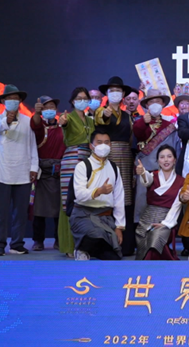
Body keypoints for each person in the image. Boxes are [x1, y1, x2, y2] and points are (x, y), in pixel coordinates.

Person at [0, 84, 39, 256]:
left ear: (20, 101)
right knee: (1, 213)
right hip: (3, 173)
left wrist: (34, 168)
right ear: (3, 101)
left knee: (20, 213)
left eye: (16, 98)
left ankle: (17, 244)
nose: (13, 101)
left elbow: (33, 146)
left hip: (23, 173)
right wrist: (8, 120)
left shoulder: (27, 120)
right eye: (9, 98)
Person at [94, 76, 136, 256]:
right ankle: (107, 243)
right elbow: (100, 120)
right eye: (112, 91)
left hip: (126, 156)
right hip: (108, 155)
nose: (115, 93)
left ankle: (127, 244)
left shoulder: (128, 116)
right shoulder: (101, 111)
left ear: (124, 93)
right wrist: (105, 114)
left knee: (125, 198)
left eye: (118, 90)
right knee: (107, 195)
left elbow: (132, 137)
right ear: (106, 94)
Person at [69, 131, 125, 260]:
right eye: (99, 142)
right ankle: (81, 249)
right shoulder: (83, 166)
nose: (103, 146)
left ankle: (89, 249)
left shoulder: (114, 168)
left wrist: (119, 227)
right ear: (91, 146)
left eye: (106, 142)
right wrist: (98, 191)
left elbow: (119, 198)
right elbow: (79, 194)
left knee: (114, 256)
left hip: (105, 218)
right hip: (84, 215)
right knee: (96, 234)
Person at [132, 89, 180, 227]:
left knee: (162, 202)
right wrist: (143, 122)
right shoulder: (139, 123)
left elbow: (175, 149)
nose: (155, 104)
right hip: (144, 169)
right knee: (142, 201)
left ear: (163, 104)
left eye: (158, 101)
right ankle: (140, 232)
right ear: (146, 105)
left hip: (165, 171)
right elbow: (138, 134)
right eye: (151, 101)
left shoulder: (169, 126)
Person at [58, 87, 95, 258]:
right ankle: (68, 245)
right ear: (73, 101)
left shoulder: (90, 120)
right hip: (72, 160)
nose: (82, 101)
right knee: (68, 202)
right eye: (79, 98)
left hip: (87, 160)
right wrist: (63, 122)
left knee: (85, 201)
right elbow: (63, 124)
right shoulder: (68, 117)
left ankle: (83, 244)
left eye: (85, 98)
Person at [134, 145, 185, 260]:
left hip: (167, 218)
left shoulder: (181, 181)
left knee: (155, 238)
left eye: (169, 156)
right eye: (162, 157)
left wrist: (166, 223)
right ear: (157, 161)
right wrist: (142, 173)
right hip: (147, 218)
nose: (166, 160)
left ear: (175, 160)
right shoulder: (153, 175)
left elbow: (177, 206)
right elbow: (147, 180)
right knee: (143, 238)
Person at [29, 95, 66, 251]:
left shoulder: (63, 126)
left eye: (52, 107)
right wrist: (37, 114)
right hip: (42, 173)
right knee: (39, 211)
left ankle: (59, 240)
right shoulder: (40, 127)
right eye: (46, 107)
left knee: (59, 210)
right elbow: (35, 124)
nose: (50, 109)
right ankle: (38, 240)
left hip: (59, 172)